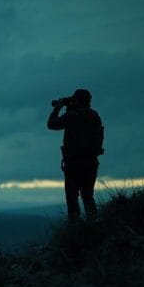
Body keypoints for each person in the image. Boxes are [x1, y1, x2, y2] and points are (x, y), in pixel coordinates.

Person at [47, 88, 104, 221]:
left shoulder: (72, 116)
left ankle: (75, 227)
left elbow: (51, 124)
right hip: (91, 162)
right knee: (88, 195)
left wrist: (58, 108)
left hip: (74, 163)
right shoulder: (94, 115)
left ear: (77, 100)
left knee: (72, 196)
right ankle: (94, 224)